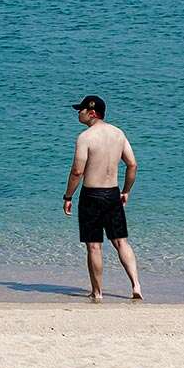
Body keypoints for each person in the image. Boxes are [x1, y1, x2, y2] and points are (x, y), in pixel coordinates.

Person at [62, 95, 141, 302]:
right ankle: (136, 286)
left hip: (92, 196)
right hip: (113, 194)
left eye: (81, 109)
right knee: (121, 242)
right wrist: (126, 191)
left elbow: (77, 171)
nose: (78, 112)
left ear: (92, 113)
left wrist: (68, 196)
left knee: (94, 245)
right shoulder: (118, 134)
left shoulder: (85, 137)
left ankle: (97, 292)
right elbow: (132, 165)